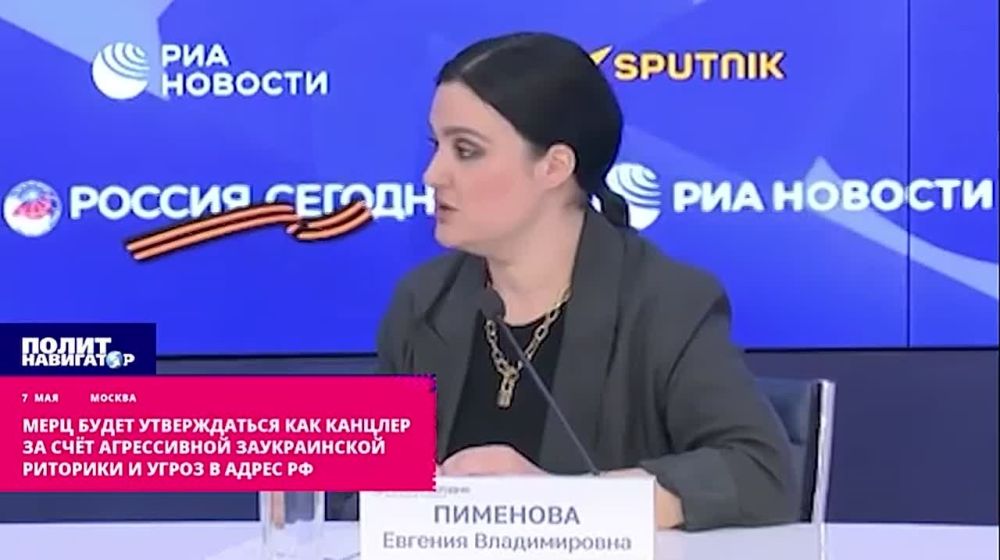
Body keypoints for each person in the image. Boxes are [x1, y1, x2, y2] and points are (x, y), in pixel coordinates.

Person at [372, 31, 798, 531]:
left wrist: (564, 502)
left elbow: (760, 474)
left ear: (554, 166)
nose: (432, 174)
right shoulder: (423, 301)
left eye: (466, 150)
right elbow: (362, 491)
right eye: (436, 145)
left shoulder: (664, 301)